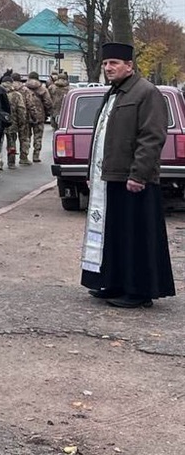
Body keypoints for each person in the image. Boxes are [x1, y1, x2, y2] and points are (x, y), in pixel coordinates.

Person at [80, 42, 175, 308]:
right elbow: (101, 136)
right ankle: (114, 282)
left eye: (114, 63)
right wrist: (92, 171)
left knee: (136, 237)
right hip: (110, 177)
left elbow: (152, 137)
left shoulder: (146, 92)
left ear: (129, 66)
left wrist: (138, 174)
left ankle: (138, 291)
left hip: (134, 180)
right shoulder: (114, 93)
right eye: (105, 63)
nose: (108, 68)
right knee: (115, 234)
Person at [23, 71, 51, 163]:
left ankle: (24, 156)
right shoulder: (42, 89)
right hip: (39, 116)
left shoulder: (24, 88)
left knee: (26, 136)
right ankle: (36, 155)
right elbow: (48, 103)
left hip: (26, 115)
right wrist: (47, 113)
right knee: (38, 136)